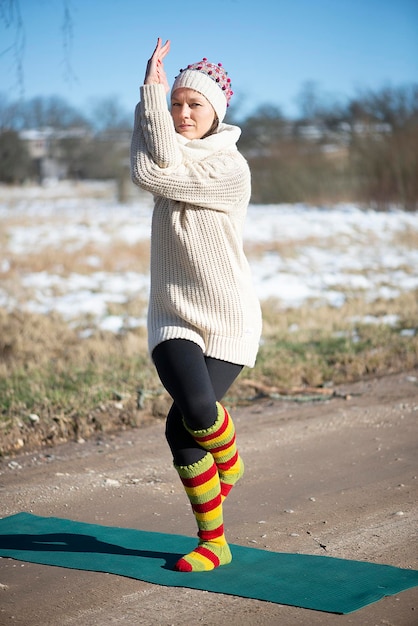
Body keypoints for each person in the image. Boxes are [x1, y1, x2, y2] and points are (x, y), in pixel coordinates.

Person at [130, 38, 262, 572]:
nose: (181, 114)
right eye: (175, 104)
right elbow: (150, 165)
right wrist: (151, 95)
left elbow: (157, 172)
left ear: (216, 113)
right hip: (171, 311)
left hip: (229, 314)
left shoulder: (231, 169)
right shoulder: (161, 140)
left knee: (185, 423)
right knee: (193, 413)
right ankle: (227, 474)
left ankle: (213, 537)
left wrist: (155, 101)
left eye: (194, 105)